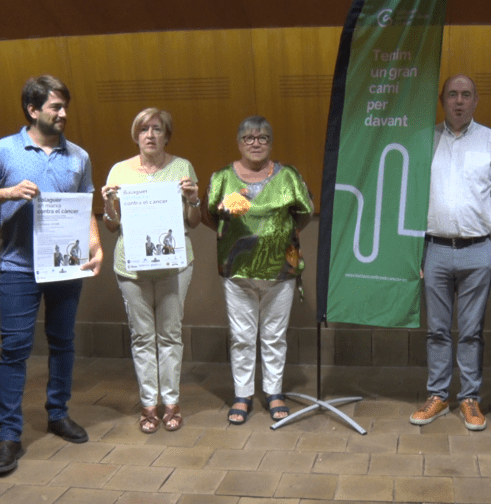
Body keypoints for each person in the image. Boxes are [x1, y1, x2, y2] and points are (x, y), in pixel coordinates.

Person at [0, 75, 103, 473]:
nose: (63, 114)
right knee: (14, 350)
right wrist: (7, 194)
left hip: (65, 267)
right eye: (55, 107)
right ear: (32, 109)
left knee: (63, 342)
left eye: (65, 107)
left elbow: (86, 206)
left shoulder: (78, 156)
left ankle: (58, 413)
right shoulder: (6, 151)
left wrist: (95, 245)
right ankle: (9, 435)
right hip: (15, 267)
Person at [410, 75, 491, 431]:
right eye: (452, 94)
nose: (458, 101)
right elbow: (410, 198)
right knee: (437, 330)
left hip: (477, 251)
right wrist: (414, 251)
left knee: (470, 332)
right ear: (442, 100)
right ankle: (438, 396)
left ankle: (470, 398)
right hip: (434, 249)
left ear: (476, 100)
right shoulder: (424, 140)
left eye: (466, 95)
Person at [202, 115, 313, 424]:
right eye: (249, 138)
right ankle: (243, 395)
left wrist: (280, 238)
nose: (255, 143)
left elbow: (303, 214)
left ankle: (274, 392)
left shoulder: (288, 176)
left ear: (270, 143)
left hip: (280, 271)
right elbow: (208, 215)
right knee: (241, 336)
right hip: (237, 272)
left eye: (262, 137)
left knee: (275, 336)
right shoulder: (222, 177)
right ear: (239, 143)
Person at [100, 108, 200, 433]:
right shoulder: (119, 171)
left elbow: (193, 222)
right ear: (136, 135)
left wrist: (194, 199)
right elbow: (113, 226)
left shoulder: (182, 167)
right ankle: (148, 404)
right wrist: (107, 205)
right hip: (132, 267)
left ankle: (171, 402)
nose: (150, 135)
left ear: (166, 135)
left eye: (157, 129)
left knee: (170, 334)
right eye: (144, 130)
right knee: (142, 337)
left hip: (173, 266)